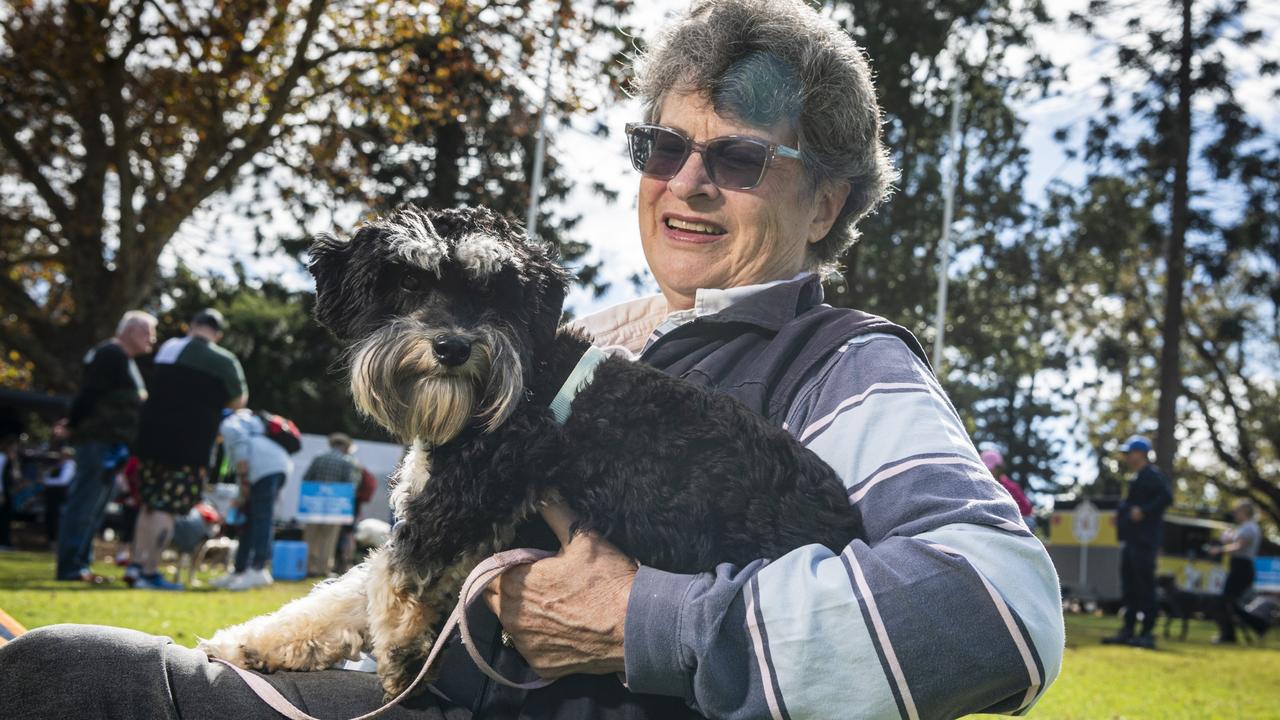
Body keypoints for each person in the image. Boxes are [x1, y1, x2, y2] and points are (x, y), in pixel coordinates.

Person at [0, 1, 1064, 717]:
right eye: (663, 148)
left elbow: (998, 612)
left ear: (825, 201)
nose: (686, 184)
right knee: (42, 663)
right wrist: (286, 636)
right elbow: (426, 543)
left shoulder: (842, 365)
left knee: (63, 681)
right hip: (423, 684)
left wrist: (643, 621)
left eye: (737, 159)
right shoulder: (577, 339)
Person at [124, 309, 247, 591]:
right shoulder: (225, 360)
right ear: (217, 334)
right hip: (187, 446)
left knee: (148, 504)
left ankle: (136, 564)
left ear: (192, 325)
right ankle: (150, 571)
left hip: (149, 439)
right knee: (167, 508)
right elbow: (239, 399)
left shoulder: (168, 348)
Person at [54, 310, 157, 582]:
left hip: (114, 445)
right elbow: (88, 393)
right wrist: (73, 423)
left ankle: (81, 564)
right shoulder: (109, 354)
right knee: (85, 503)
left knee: (96, 507)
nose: (152, 340)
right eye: (148, 333)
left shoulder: (125, 360)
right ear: (131, 330)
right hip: (98, 441)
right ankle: (70, 567)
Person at [1102, 434, 1173, 649]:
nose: (1127, 457)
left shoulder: (1153, 475)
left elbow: (1166, 497)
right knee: (1130, 587)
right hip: (1132, 541)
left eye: (1129, 453)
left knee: (1145, 587)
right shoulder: (1137, 478)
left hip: (1145, 542)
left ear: (1141, 454)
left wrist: (1144, 511)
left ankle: (1147, 633)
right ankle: (1128, 631)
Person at [210, 409, 293, 591]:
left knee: (262, 519)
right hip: (272, 467)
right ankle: (240, 570)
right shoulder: (247, 423)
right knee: (248, 520)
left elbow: (240, 447)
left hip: (265, 470)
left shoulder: (228, 424)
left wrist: (244, 479)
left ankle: (258, 569)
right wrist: (241, 495)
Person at [299, 433, 363, 578]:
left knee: (311, 535)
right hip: (334, 506)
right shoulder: (346, 462)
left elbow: (306, 478)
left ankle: (309, 567)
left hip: (315, 503)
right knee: (329, 537)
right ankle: (324, 569)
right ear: (345, 447)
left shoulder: (319, 458)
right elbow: (351, 485)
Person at [1210, 498, 1266, 643]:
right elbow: (1232, 542)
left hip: (1242, 567)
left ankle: (1230, 635)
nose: (1235, 513)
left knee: (1224, 601)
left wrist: (1220, 550)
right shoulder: (1243, 527)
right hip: (1239, 566)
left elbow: (1240, 546)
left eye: (1237, 510)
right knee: (1230, 603)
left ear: (1245, 511)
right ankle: (1258, 625)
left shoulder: (1249, 528)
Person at [981, 448, 1035, 531]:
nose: (989, 471)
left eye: (992, 468)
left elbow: (1027, 509)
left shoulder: (1010, 487)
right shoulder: (982, 486)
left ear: (999, 468)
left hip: (1019, 519)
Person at [42, 446, 76, 548]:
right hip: (53, 497)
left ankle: (58, 543)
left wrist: (47, 481)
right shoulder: (59, 465)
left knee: (58, 519)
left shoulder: (70, 465)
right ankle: (52, 541)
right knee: (52, 518)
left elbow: (63, 481)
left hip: (61, 497)